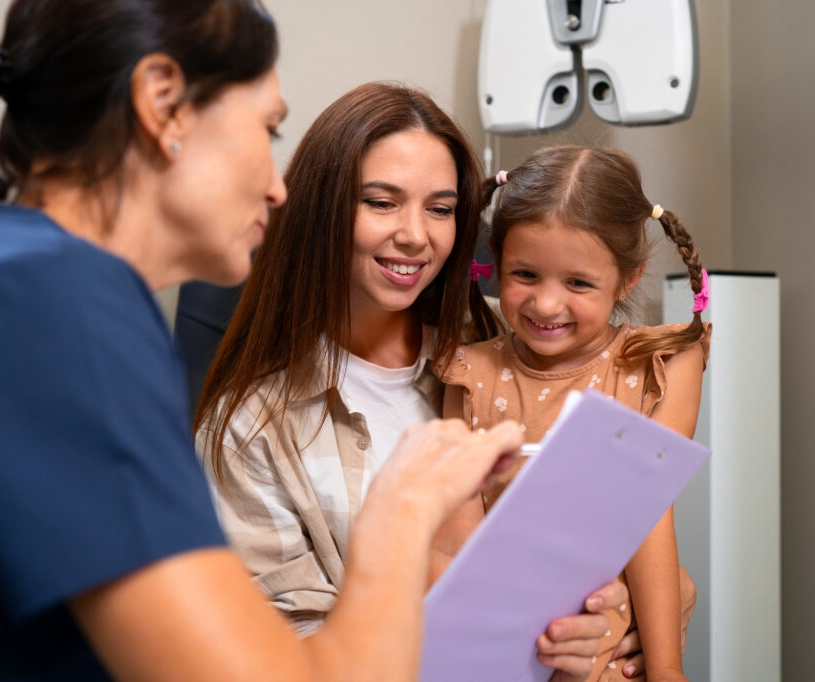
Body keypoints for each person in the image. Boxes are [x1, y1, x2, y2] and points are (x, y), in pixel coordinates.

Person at [0, 1, 555, 679]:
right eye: (268, 128)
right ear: (163, 106)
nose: (276, 188)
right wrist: (404, 511)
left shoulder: (30, 282)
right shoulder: (45, 302)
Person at [196, 84, 663, 681]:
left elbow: (610, 540)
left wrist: (611, 622)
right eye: (381, 202)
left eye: (440, 210)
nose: (416, 235)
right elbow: (292, 659)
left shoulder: (512, 344)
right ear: (322, 210)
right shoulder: (251, 430)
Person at [431, 145, 712, 682]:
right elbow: (458, 538)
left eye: (578, 283)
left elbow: (647, 515)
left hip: (609, 639)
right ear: (497, 262)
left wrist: (666, 668)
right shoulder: (467, 374)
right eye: (525, 274)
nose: (546, 304)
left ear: (628, 278)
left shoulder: (664, 364)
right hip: (503, 642)